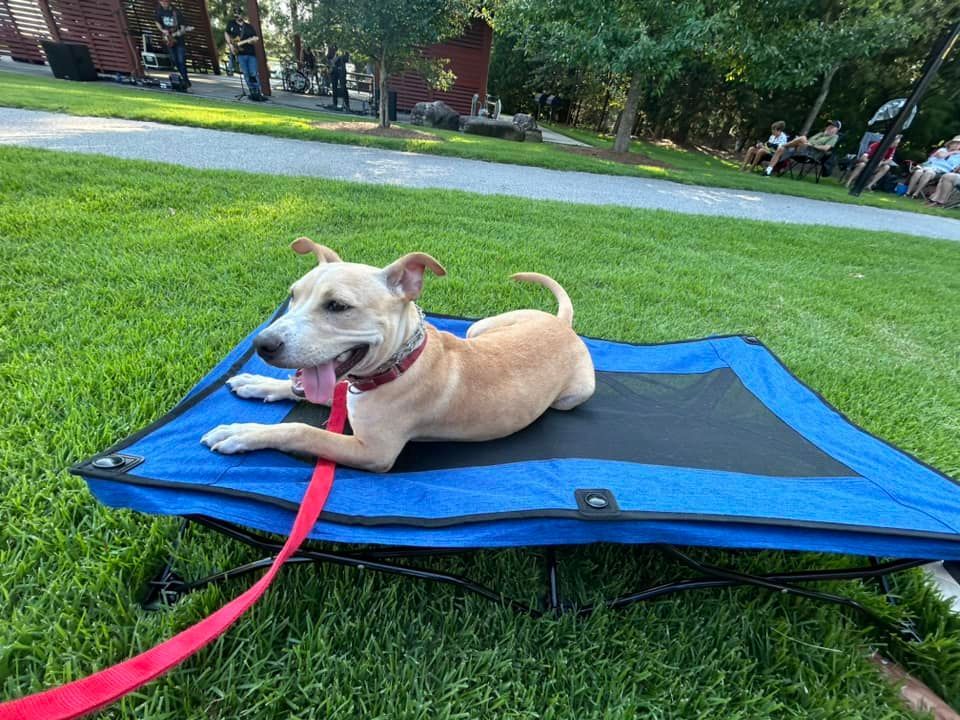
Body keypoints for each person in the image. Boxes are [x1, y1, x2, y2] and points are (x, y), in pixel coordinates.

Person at [764, 120, 841, 176]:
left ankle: (784, 145)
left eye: (832, 126)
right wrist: (801, 141)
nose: (829, 127)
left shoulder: (834, 137)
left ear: (837, 130)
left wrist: (811, 145)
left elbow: (826, 148)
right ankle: (768, 171)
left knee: (802, 138)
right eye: (829, 126)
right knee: (781, 149)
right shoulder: (820, 134)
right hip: (802, 149)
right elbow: (807, 141)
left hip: (812, 154)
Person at [226, 6, 262, 100]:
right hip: (240, 54)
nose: (237, 15)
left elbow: (255, 38)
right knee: (246, 73)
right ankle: (251, 91)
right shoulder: (231, 24)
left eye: (238, 13)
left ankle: (257, 91)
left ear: (242, 15)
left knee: (253, 73)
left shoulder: (249, 27)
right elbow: (226, 33)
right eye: (235, 14)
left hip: (250, 53)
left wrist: (251, 41)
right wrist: (230, 45)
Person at [155, 0, 190, 88]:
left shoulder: (176, 12)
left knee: (181, 61)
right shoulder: (159, 11)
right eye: (161, 2)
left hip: (179, 41)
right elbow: (157, 21)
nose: (163, 3)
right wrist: (162, 30)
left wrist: (177, 33)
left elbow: (183, 28)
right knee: (175, 61)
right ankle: (184, 80)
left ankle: (185, 80)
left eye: (165, 2)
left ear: (168, 2)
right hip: (169, 41)